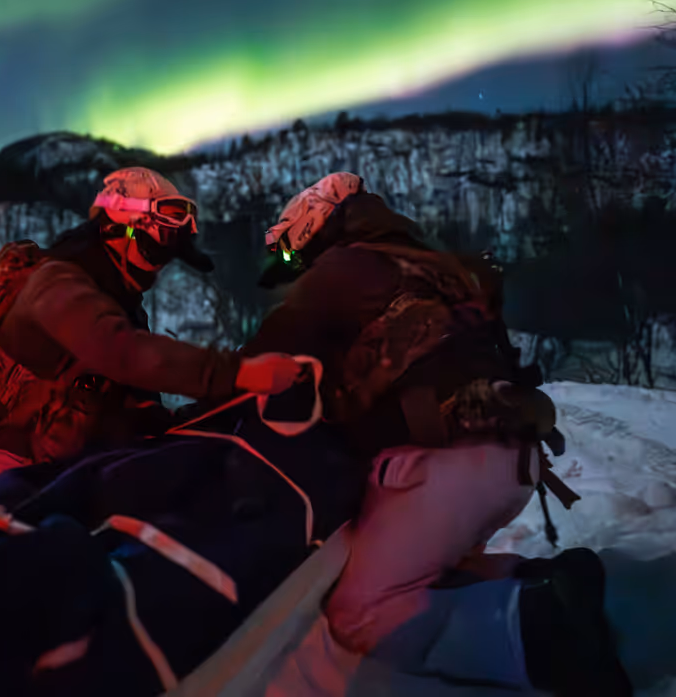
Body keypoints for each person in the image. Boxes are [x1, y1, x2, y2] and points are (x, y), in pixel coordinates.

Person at [243, 172, 631, 695]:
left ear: (313, 225)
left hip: (443, 462)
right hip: (510, 457)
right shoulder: (426, 262)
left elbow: (261, 360)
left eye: (292, 254)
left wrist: (200, 404)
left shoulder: (343, 267)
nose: (294, 268)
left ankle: (543, 633)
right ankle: (547, 581)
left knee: (360, 612)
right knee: (438, 569)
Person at [0, 166, 301, 486]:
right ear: (117, 230)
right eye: (153, 250)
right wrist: (238, 373)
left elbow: (132, 392)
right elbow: (122, 352)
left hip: (70, 466)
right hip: (7, 466)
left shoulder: (118, 299)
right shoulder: (57, 282)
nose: (157, 269)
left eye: (166, 257)